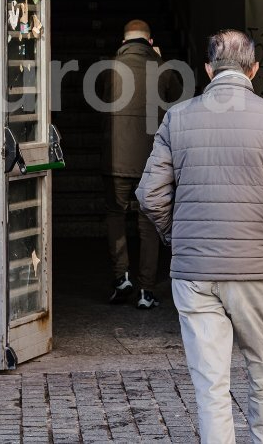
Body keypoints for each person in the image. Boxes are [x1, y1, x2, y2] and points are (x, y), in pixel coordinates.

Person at [137, 29, 263, 444]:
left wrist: (178, 239)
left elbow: (149, 194)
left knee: (209, 381)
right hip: (255, 270)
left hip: (194, 271)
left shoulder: (177, 118)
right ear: (254, 69)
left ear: (208, 69)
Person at [101, 19, 179, 309]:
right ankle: (146, 290)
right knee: (149, 223)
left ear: (123, 42)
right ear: (150, 40)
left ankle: (121, 276)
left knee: (115, 215)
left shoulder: (109, 67)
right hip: (152, 159)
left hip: (114, 158)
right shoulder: (163, 68)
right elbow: (179, 100)